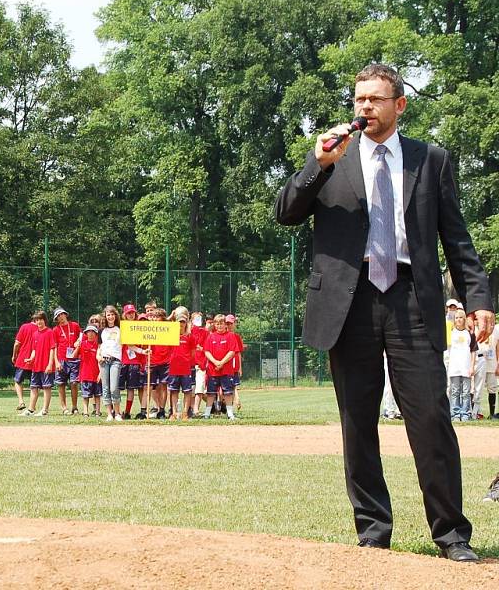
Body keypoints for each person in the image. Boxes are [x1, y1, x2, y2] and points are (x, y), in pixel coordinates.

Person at [275, 63, 494, 561]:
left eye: (375, 99)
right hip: (347, 304)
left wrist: (478, 298)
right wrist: (318, 163)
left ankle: (452, 534)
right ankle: (373, 530)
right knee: (358, 420)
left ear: (400, 105)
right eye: (358, 99)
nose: (365, 107)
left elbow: (455, 237)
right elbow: (285, 211)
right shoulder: (333, 158)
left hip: (411, 298)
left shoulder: (430, 160)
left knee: (432, 417)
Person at [19, 311, 55, 417]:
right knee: (34, 387)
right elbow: (34, 350)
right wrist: (31, 358)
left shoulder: (50, 332)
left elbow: (53, 349)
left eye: (41, 319)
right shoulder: (35, 334)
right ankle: (30, 409)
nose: (39, 321)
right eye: (37, 320)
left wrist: (50, 364)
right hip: (36, 366)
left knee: (46, 387)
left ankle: (44, 410)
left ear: (45, 320)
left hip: (46, 366)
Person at [203, 314, 237, 421]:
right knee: (210, 393)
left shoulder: (230, 336)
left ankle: (230, 414)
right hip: (213, 371)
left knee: (227, 392)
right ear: (214, 325)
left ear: (225, 324)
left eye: (221, 323)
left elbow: (232, 351)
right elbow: (207, 351)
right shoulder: (210, 336)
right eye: (217, 323)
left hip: (226, 370)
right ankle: (207, 414)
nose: (219, 326)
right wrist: (215, 362)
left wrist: (221, 362)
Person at [448, 309, 476, 422]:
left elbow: (473, 351)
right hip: (454, 366)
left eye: (460, 317)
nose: (458, 320)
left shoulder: (470, 333)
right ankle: (455, 414)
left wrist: (472, 366)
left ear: (464, 319)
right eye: (456, 318)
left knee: (466, 392)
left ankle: (465, 414)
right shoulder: (451, 332)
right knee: (454, 391)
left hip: (466, 367)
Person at [52, 307, 81, 415]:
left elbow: (81, 338)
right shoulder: (55, 330)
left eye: (62, 314)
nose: (61, 317)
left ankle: (74, 406)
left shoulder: (74, 325)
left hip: (74, 359)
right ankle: (64, 408)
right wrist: (57, 362)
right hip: (61, 359)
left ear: (65, 314)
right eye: (58, 316)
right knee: (61, 384)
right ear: (56, 319)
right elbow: (54, 347)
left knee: (74, 383)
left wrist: (78, 344)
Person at [119, 304, 146, 419]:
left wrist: (142, 351)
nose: (131, 315)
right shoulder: (122, 327)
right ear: (124, 314)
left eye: (133, 312)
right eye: (128, 313)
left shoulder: (139, 327)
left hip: (134, 362)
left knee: (131, 388)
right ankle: (118, 411)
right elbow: (127, 344)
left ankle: (127, 411)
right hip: (122, 361)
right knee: (117, 388)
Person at [167, 314, 195, 420]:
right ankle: (174, 413)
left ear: (186, 323)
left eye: (183, 322)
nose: (181, 324)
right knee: (174, 391)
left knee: (187, 391)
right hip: (173, 368)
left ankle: (185, 413)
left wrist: (185, 360)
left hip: (185, 368)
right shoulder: (171, 336)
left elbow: (192, 352)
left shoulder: (190, 336)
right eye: (179, 322)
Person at [98, 305, 123, 422]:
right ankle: (109, 413)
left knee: (114, 388)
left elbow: (129, 345)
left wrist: (143, 351)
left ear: (115, 315)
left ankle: (117, 413)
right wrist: (98, 356)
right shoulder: (101, 331)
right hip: (104, 361)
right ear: (105, 316)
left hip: (115, 361)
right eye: (108, 314)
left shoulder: (120, 329)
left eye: (112, 314)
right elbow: (99, 347)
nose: (110, 317)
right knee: (105, 388)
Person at [74, 324, 101, 416]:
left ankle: (97, 412)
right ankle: (85, 412)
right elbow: (73, 356)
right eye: (89, 332)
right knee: (85, 395)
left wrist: (100, 374)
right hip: (85, 374)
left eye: (93, 332)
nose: (91, 333)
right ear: (86, 333)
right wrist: (77, 346)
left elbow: (100, 361)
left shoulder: (99, 345)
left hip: (96, 374)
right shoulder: (82, 344)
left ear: (96, 334)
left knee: (97, 395)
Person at [11, 316, 36, 412]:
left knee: (18, 381)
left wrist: (14, 355)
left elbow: (17, 343)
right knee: (34, 384)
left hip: (22, 358)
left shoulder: (24, 327)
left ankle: (21, 401)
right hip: (35, 360)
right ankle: (31, 405)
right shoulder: (41, 328)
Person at [190, 312, 209, 418]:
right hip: (190, 363)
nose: (198, 320)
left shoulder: (205, 333)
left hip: (201, 363)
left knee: (200, 386)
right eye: (196, 318)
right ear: (191, 320)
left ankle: (196, 408)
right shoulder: (188, 332)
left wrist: (202, 349)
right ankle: (191, 408)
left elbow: (208, 347)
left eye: (199, 318)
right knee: (191, 388)